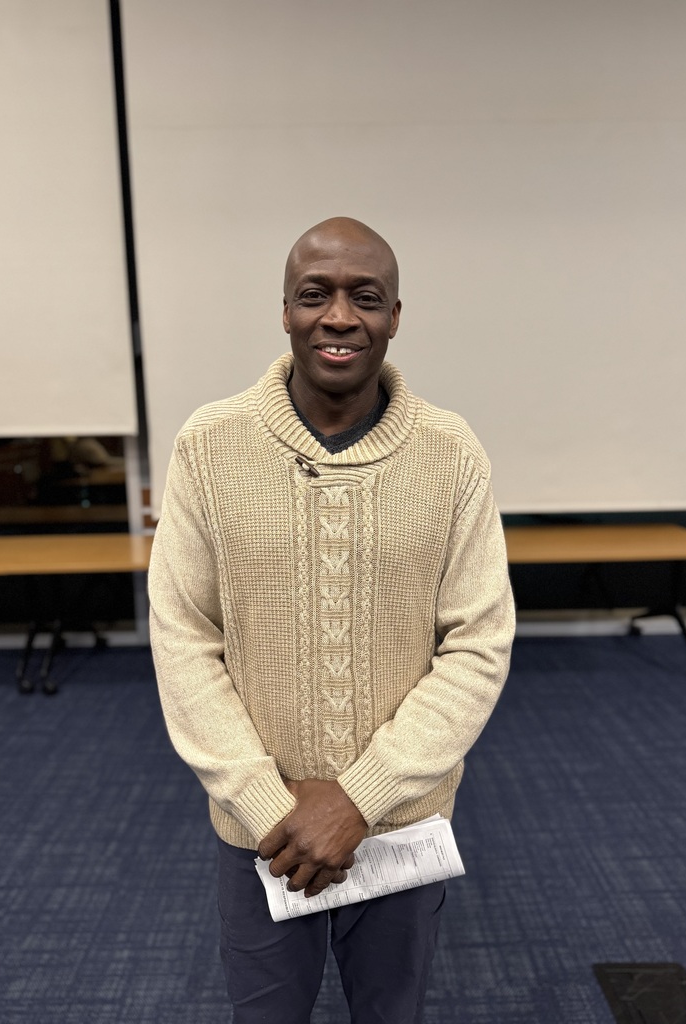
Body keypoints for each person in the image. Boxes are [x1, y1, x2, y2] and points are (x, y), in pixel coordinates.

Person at [148, 216, 515, 1024]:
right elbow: (183, 639)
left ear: (395, 316)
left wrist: (358, 799)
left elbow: (478, 645)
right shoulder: (209, 447)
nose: (340, 316)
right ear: (285, 312)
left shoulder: (451, 453)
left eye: (366, 297)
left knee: (393, 1013)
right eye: (316, 295)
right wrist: (269, 805)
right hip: (262, 834)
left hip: (400, 824)